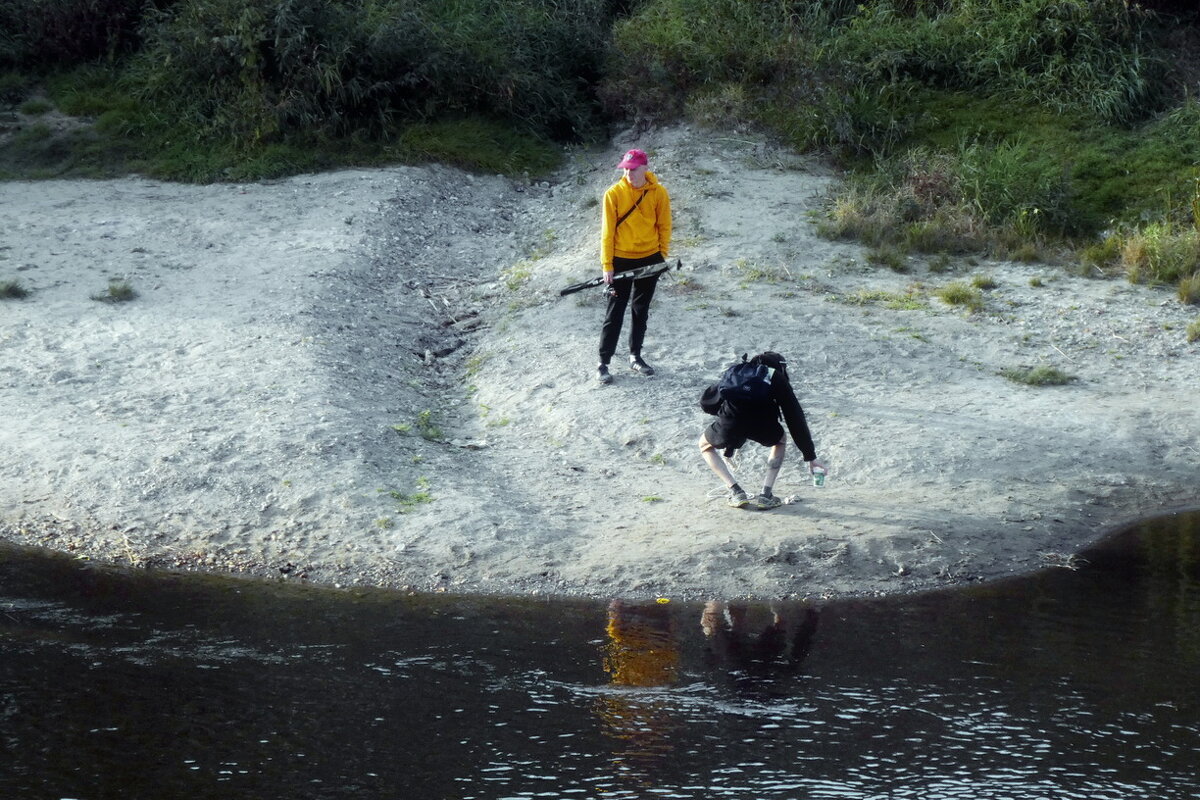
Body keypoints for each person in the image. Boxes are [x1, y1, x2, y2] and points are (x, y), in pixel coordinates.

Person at [698, 351, 825, 510]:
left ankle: (735, 491)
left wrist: (725, 428)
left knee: (704, 445)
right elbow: (794, 417)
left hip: (730, 421)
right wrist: (810, 456)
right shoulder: (775, 376)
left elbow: (707, 401)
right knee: (780, 440)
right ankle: (766, 495)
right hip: (763, 424)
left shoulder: (737, 370)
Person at [596, 148, 672, 384]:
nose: (629, 173)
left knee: (640, 310)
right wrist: (607, 265)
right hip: (621, 259)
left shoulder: (658, 193)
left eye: (633, 168)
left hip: (650, 258)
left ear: (645, 168)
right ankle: (603, 362)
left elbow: (665, 226)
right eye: (626, 169)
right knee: (615, 312)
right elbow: (607, 233)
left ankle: (635, 356)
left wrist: (661, 256)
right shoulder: (614, 194)